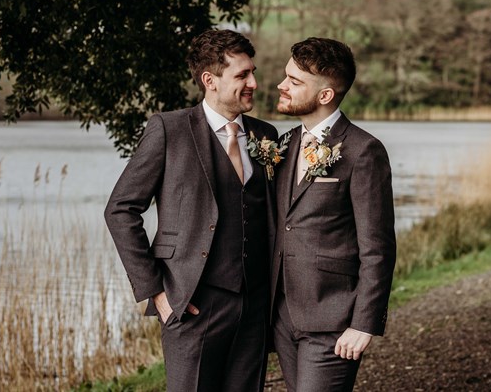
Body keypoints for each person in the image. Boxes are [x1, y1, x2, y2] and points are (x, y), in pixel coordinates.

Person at [104, 29, 278, 392]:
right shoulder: (169, 129)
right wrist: (156, 292)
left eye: (253, 72)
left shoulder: (266, 135)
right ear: (209, 80)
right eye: (242, 75)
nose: (255, 83)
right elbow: (121, 209)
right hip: (192, 303)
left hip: (254, 308)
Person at [270, 37, 397, 391]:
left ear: (325, 95)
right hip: (281, 318)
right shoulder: (283, 146)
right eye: (286, 76)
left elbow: (378, 248)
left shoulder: (363, 151)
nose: (282, 86)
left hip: (333, 322)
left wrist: (364, 324)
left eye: (294, 82)